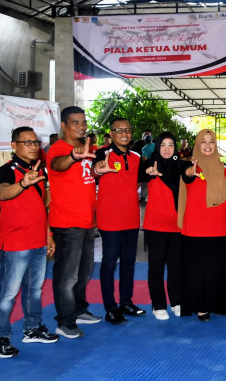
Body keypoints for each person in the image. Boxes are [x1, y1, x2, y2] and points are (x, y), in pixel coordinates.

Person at [0, 127, 58, 358]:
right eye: (27, 143)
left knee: (34, 290)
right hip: (15, 243)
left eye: (35, 142)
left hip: (38, 241)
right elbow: (2, 193)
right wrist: (22, 183)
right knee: (8, 294)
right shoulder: (7, 170)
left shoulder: (39, 170)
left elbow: (40, 206)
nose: (33, 147)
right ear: (14, 146)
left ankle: (32, 328)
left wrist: (48, 234)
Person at [46, 106, 101, 338]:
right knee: (67, 276)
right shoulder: (58, 149)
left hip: (87, 223)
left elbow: (86, 177)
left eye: (83, 122)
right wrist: (72, 157)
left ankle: (78, 310)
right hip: (67, 223)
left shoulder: (87, 148)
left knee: (84, 272)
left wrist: (99, 170)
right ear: (64, 125)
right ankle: (65, 321)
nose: (81, 126)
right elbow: (57, 164)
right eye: (75, 122)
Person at [91, 118, 145, 325]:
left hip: (131, 218)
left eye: (127, 130)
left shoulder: (137, 156)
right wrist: (98, 170)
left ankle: (126, 302)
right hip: (110, 219)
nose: (124, 133)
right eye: (119, 130)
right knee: (109, 262)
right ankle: (110, 307)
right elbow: (93, 171)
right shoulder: (102, 153)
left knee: (129, 262)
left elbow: (139, 180)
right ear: (111, 133)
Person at [179, 129, 226, 321]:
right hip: (195, 228)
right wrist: (189, 172)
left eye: (211, 141)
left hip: (219, 226)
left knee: (216, 269)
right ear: (197, 145)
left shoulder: (225, 169)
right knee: (197, 271)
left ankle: (218, 304)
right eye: (203, 141)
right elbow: (186, 176)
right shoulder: (189, 167)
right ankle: (201, 306)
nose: (208, 145)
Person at [140, 132, 188, 320]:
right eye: (163, 145)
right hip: (155, 226)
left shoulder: (180, 165)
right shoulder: (151, 164)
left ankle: (176, 301)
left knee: (176, 267)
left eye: (170, 145)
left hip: (177, 225)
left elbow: (190, 174)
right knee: (156, 267)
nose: (167, 149)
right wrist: (148, 171)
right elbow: (141, 171)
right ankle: (158, 305)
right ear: (157, 147)